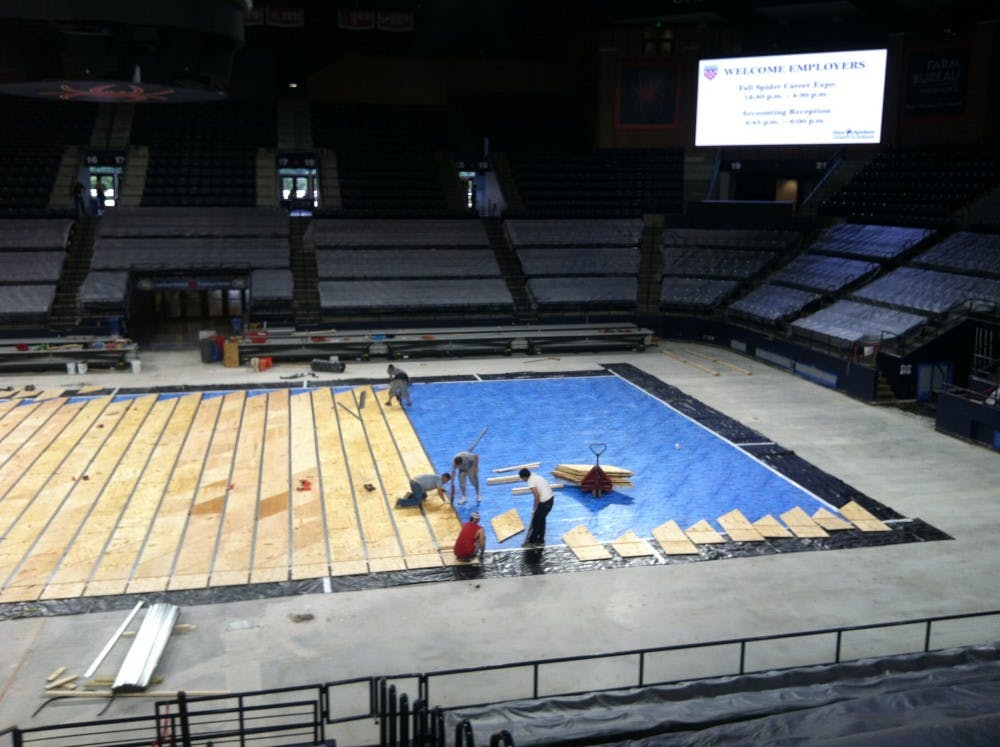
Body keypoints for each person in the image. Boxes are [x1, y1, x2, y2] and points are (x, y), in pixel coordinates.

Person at [520, 467, 553, 546]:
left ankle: (532, 541)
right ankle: (540, 539)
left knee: (536, 522)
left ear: (524, 477)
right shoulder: (536, 476)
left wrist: (534, 509)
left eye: (522, 478)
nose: (523, 480)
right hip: (550, 499)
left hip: (544, 502)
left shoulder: (530, 481)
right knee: (541, 519)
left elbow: (537, 496)